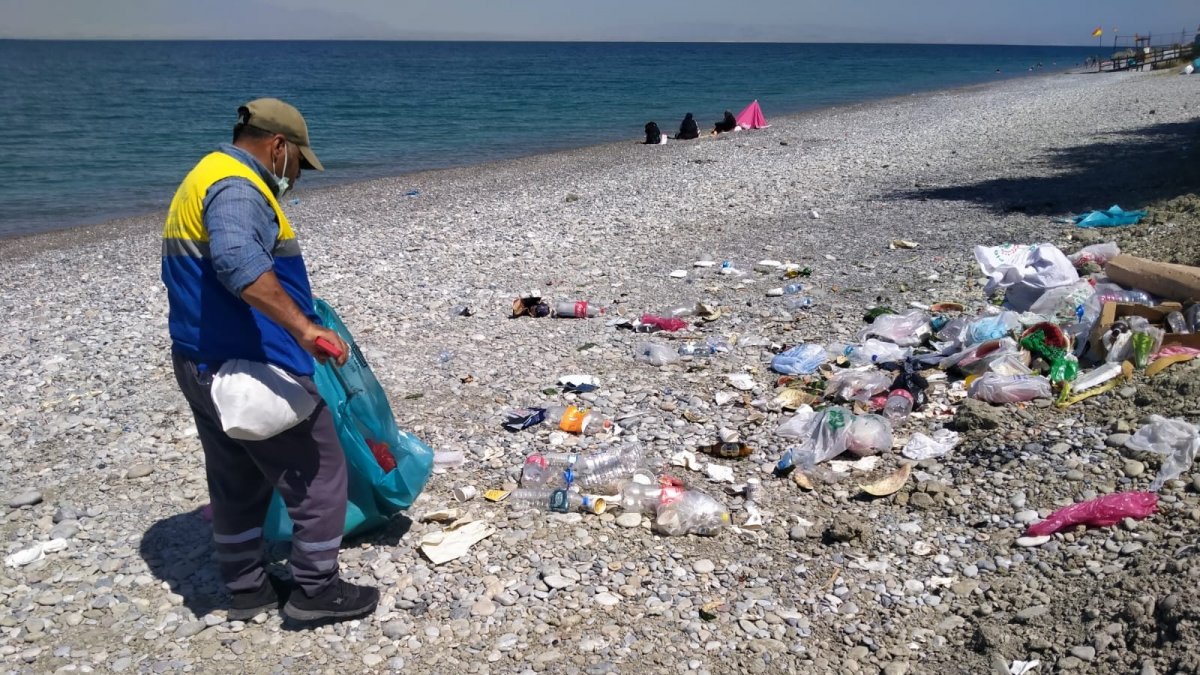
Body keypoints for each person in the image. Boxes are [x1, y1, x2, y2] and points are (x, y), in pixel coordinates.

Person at [161, 98, 379, 624]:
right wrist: (304, 328)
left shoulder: (204, 175)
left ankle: (246, 586)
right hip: (248, 364)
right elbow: (238, 262)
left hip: (198, 360)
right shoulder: (238, 188)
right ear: (278, 146)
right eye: (299, 162)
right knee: (322, 469)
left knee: (237, 474)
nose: (298, 175)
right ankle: (316, 591)